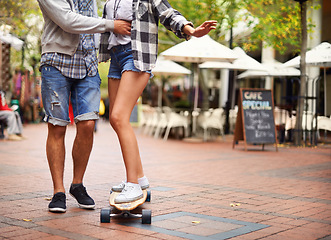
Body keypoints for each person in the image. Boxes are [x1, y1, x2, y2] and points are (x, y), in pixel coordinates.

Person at [98, 0, 217, 203]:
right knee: (116, 120)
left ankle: (133, 185)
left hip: (136, 55)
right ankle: (140, 178)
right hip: (116, 57)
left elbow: (168, 14)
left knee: (118, 117)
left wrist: (192, 31)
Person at [37, 0, 132, 213]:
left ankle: (77, 185)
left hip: (88, 64)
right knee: (57, 126)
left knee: (88, 124)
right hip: (56, 62)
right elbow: (68, 21)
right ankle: (58, 191)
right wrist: (110, 24)